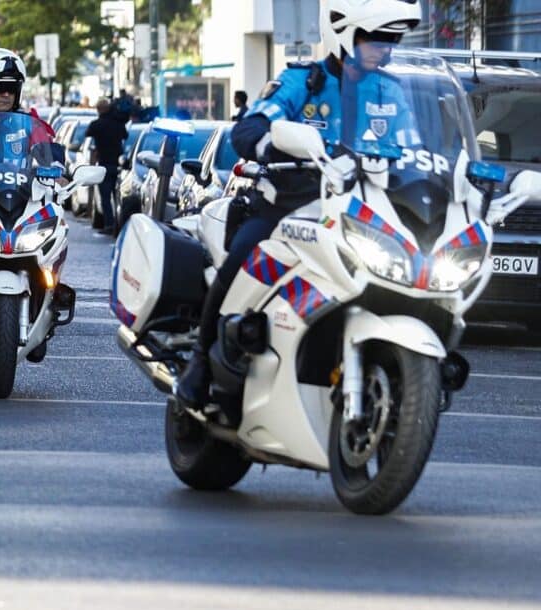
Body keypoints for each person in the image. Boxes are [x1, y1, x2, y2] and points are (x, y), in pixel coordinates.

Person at [176, 0, 422, 410]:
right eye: (376, 38)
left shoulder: (391, 91)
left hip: (359, 213)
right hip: (286, 207)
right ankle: (201, 361)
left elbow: (415, 152)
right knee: (242, 256)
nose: (386, 47)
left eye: (392, 39)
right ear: (345, 34)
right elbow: (250, 127)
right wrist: (272, 142)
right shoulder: (302, 82)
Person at [85, 98, 128, 233]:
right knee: (117, 197)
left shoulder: (97, 124)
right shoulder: (118, 124)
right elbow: (125, 136)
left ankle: (109, 224)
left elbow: (87, 133)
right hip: (118, 164)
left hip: (103, 164)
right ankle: (118, 224)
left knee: (105, 197)